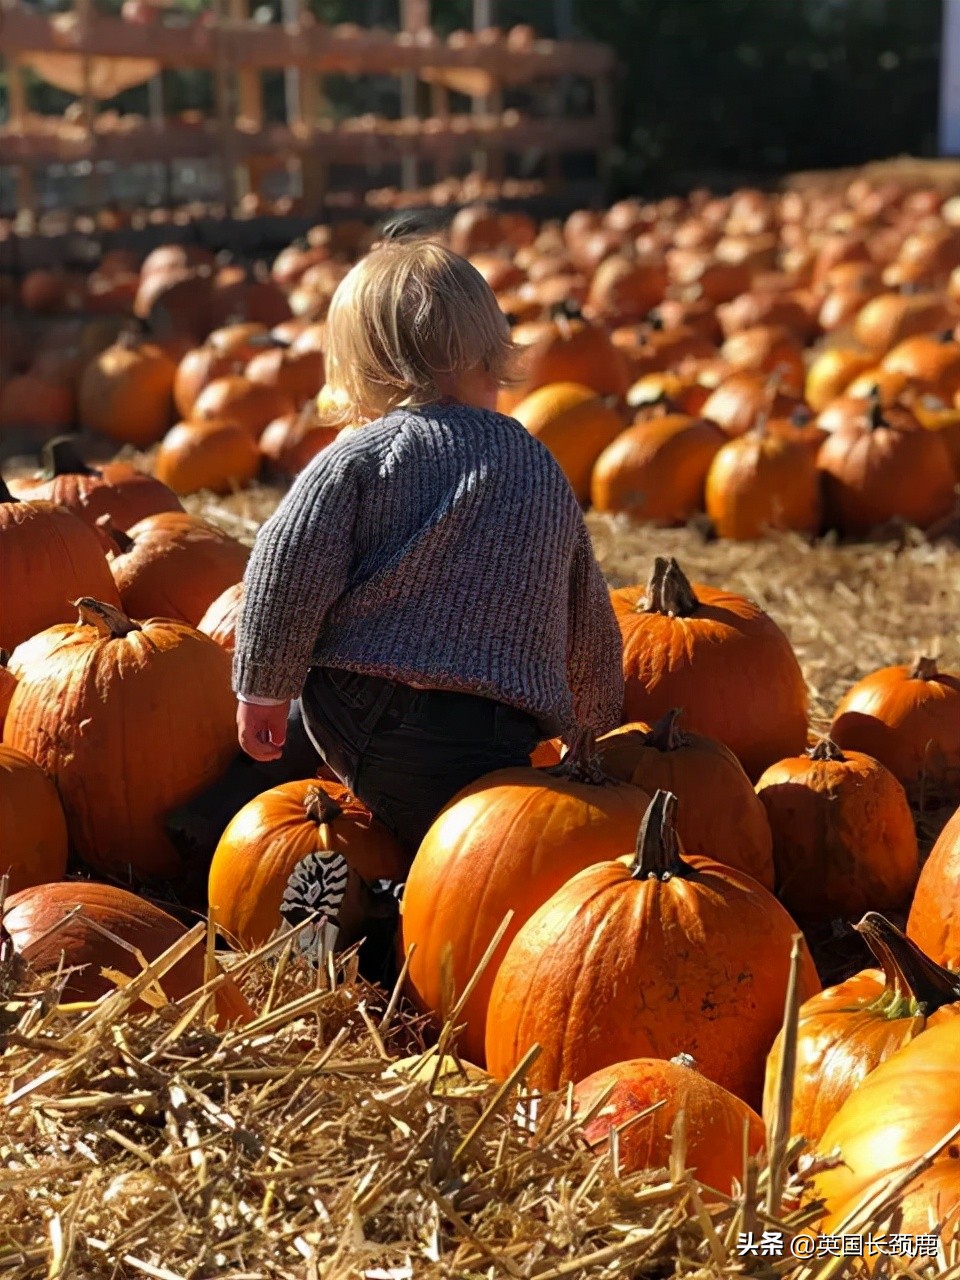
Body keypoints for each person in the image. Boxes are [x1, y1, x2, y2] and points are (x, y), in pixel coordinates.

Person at [176, 238, 624, 869]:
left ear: (364, 371)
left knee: (329, 747)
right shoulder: (537, 463)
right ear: (492, 358)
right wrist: (592, 726)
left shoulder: (365, 453)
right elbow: (585, 606)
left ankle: (244, 842)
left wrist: (263, 687)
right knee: (460, 865)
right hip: (494, 726)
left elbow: (286, 566)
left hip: (364, 703)